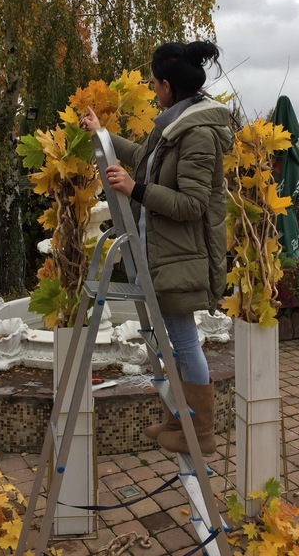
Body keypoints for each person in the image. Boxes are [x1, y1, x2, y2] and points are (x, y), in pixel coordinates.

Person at [81, 40, 233, 455]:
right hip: (163, 254)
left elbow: (192, 205)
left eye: (153, 82)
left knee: (184, 341)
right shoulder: (172, 127)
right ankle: (177, 423)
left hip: (182, 256)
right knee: (175, 342)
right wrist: (103, 134)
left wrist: (137, 189)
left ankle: (200, 434)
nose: (150, 88)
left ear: (167, 85)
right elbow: (143, 158)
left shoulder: (197, 134)